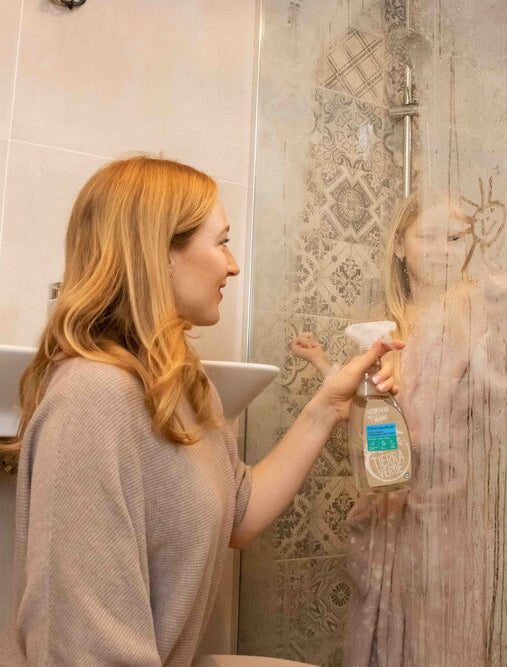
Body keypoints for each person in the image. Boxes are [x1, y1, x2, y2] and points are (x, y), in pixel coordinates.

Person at [0, 156, 402, 666]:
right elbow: (82, 649)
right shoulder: (91, 398)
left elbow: (240, 515)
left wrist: (327, 405)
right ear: (160, 253)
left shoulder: (182, 384)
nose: (233, 266)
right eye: (222, 242)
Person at [293, 191, 507, 666]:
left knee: (437, 641)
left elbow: (500, 399)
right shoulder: (386, 327)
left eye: (455, 238)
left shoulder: (472, 312)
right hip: (386, 507)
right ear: (400, 245)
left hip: (446, 510)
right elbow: (357, 409)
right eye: (428, 236)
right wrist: (325, 365)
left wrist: (504, 342)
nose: (442, 249)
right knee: (383, 633)